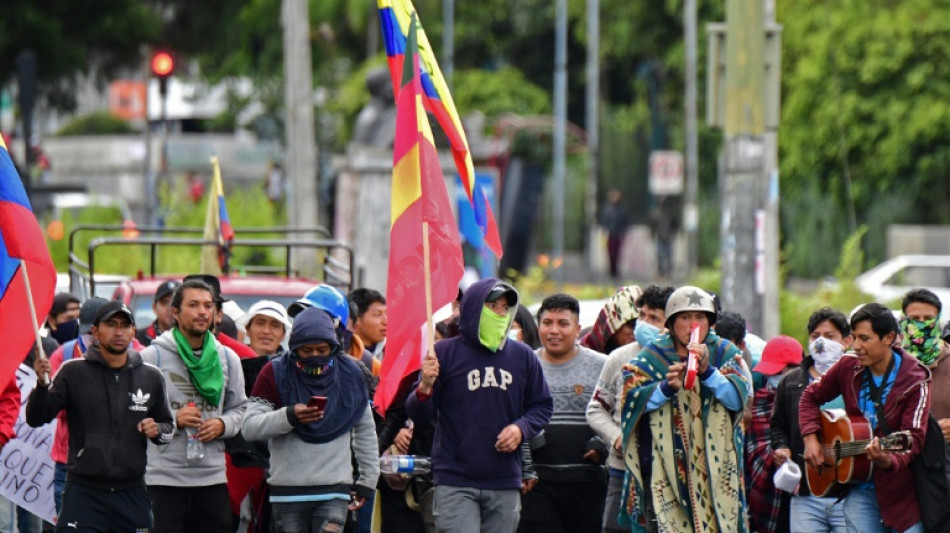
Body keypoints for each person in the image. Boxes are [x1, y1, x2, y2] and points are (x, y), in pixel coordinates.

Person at [406, 278, 553, 533]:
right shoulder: (443, 353)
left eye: (505, 308)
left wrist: (520, 429)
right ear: (474, 308)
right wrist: (425, 387)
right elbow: (419, 414)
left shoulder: (522, 356)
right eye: (493, 306)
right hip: (455, 479)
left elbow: (542, 405)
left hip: (505, 479)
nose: (499, 313)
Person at [27, 301, 174, 532]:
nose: (118, 332)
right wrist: (42, 385)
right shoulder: (72, 371)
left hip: (132, 494)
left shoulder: (150, 375)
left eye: (125, 326)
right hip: (84, 494)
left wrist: (158, 430)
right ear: (95, 331)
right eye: (111, 325)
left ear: (133, 332)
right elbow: (37, 418)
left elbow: (168, 430)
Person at [620, 285, 750, 532]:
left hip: (716, 477)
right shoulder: (650, 357)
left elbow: (737, 399)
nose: (693, 325)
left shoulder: (724, 352)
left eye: (700, 317)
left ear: (710, 322)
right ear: (670, 322)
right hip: (663, 477)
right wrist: (666, 389)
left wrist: (708, 372)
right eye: (685, 317)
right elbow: (630, 403)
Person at [243, 307, 379, 533]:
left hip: (334, 492)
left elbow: (365, 431)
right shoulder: (274, 373)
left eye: (322, 349)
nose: (315, 356)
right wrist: (289, 416)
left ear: (334, 347)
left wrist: (368, 480)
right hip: (287, 494)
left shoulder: (351, 375)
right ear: (295, 348)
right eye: (306, 350)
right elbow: (249, 428)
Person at [800, 303, 930, 533]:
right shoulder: (848, 366)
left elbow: (914, 439)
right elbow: (809, 396)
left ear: (889, 338)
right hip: (859, 486)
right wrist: (811, 438)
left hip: (903, 493)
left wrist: (887, 460)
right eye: (854, 338)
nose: (856, 346)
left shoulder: (915, 380)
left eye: (864, 338)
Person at [140, 279, 248, 533]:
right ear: (174, 313)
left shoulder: (228, 358)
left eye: (208, 306)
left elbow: (241, 409)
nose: (202, 312)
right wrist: (174, 419)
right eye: (194, 305)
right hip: (163, 479)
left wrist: (222, 424)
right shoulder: (152, 357)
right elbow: (133, 413)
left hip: (212, 479)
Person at [519, 294, 608, 533]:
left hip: (588, 483)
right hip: (537, 484)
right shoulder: (523, 365)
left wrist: (602, 443)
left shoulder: (603, 365)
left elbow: (617, 415)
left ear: (577, 329)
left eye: (563, 323)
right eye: (547, 323)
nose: (554, 330)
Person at [587, 285, 671, 533]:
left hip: (667, 476)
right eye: (641, 316)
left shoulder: (683, 362)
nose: (643, 323)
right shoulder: (619, 358)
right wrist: (616, 438)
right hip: (622, 471)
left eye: (654, 318)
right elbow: (595, 409)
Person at [771, 308, 851, 533]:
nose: (821, 342)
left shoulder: (856, 379)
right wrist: (782, 448)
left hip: (849, 494)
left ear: (847, 340)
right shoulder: (791, 382)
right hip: (806, 493)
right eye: (816, 336)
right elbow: (778, 426)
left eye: (830, 336)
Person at [46, 297, 108, 513]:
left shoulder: (134, 353)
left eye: (98, 331)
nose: (93, 339)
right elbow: (51, 408)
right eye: (88, 333)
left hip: (116, 467)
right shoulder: (62, 356)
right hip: (69, 465)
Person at [746, 335, 803, 533]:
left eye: (779, 371)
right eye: (770, 372)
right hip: (766, 497)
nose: (773, 377)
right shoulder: (758, 402)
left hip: (805, 493)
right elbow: (754, 450)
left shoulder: (811, 401)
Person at [581, 285, 642, 355]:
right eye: (632, 324)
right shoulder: (583, 351)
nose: (636, 331)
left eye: (642, 325)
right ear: (614, 325)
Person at [137, 280, 181, 347]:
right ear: (154, 307)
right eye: (165, 302)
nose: (171, 308)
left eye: (176, 303)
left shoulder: (194, 339)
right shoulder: (138, 338)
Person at [348, 288, 387, 360]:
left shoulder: (391, 353)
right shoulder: (342, 352)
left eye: (387, 314)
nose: (386, 321)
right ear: (356, 318)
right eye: (377, 315)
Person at [600, 189, 629, 280]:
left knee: (617, 253)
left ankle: (615, 271)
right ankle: (611, 270)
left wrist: (623, 231)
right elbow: (604, 220)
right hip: (610, 233)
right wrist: (605, 229)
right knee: (610, 253)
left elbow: (625, 221)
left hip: (618, 233)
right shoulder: (608, 209)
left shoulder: (622, 209)